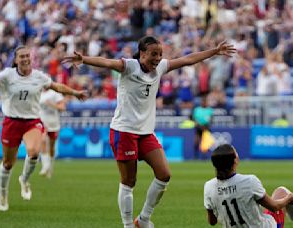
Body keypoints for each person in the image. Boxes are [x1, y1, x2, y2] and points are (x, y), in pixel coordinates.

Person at [62, 36, 236, 228]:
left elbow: (188, 59)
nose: (157, 58)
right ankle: (128, 225)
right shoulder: (129, 66)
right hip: (124, 131)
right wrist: (84, 59)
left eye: (160, 54)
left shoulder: (160, 67)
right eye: (154, 54)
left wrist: (214, 51)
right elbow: (106, 62)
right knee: (129, 181)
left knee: (164, 174)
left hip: (145, 133)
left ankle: (143, 219)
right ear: (142, 53)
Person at [0, 46, 87, 212]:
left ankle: (24, 179)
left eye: (28, 55)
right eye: (22, 56)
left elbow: (57, 87)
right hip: (12, 122)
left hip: (32, 122)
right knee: (7, 164)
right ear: (16, 60)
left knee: (34, 152)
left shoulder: (39, 76)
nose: (25, 59)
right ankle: (3, 193)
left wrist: (75, 93)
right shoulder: (7, 75)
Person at [204, 144, 293, 228]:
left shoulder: (208, 186)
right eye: (236, 153)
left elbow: (212, 222)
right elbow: (274, 207)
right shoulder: (249, 181)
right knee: (282, 191)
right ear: (234, 160)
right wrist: (288, 199)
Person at [39, 88, 66, 178]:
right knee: (42, 141)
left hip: (53, 123)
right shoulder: (38, 93)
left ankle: (50, 168)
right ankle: (45, 166)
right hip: (42, 122)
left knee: (51, 147)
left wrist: (51, 104)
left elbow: (62, 108)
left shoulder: (55, 94)